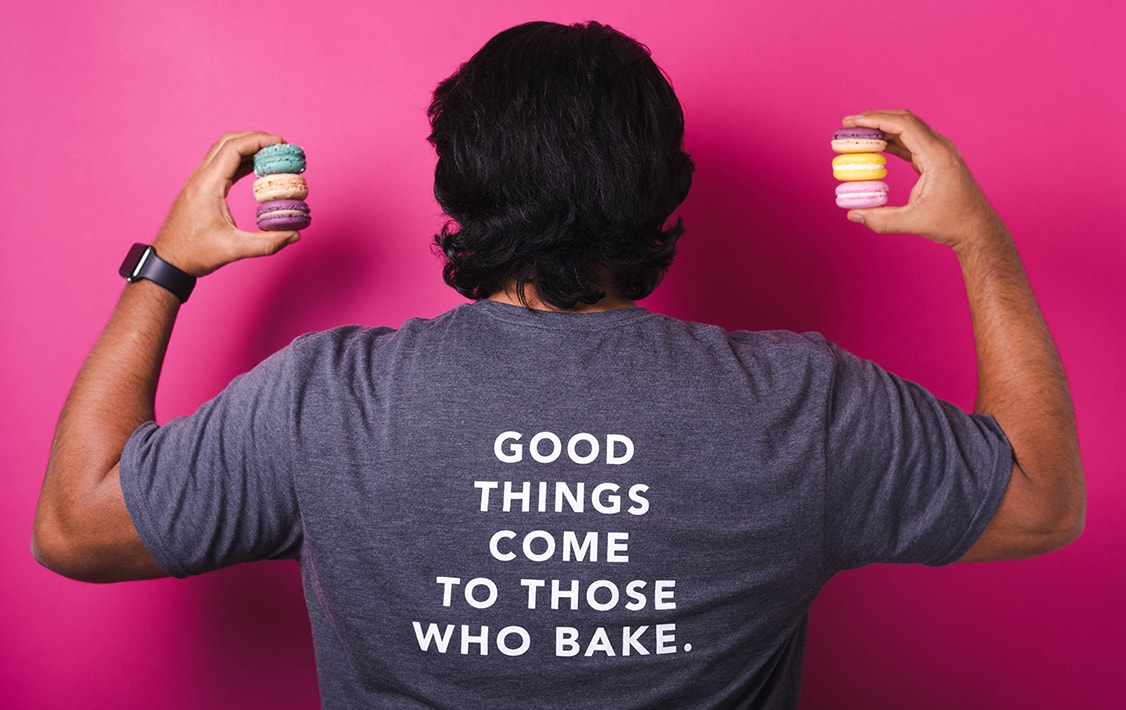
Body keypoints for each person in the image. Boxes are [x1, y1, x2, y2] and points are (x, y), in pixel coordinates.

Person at [33, 20, 1084, 710]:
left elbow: (77, 526)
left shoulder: (323, 399)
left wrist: (165, 266)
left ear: (457, 190)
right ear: (668, 191)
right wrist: (979, 236)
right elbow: (1040, 500)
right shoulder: (804, 404)